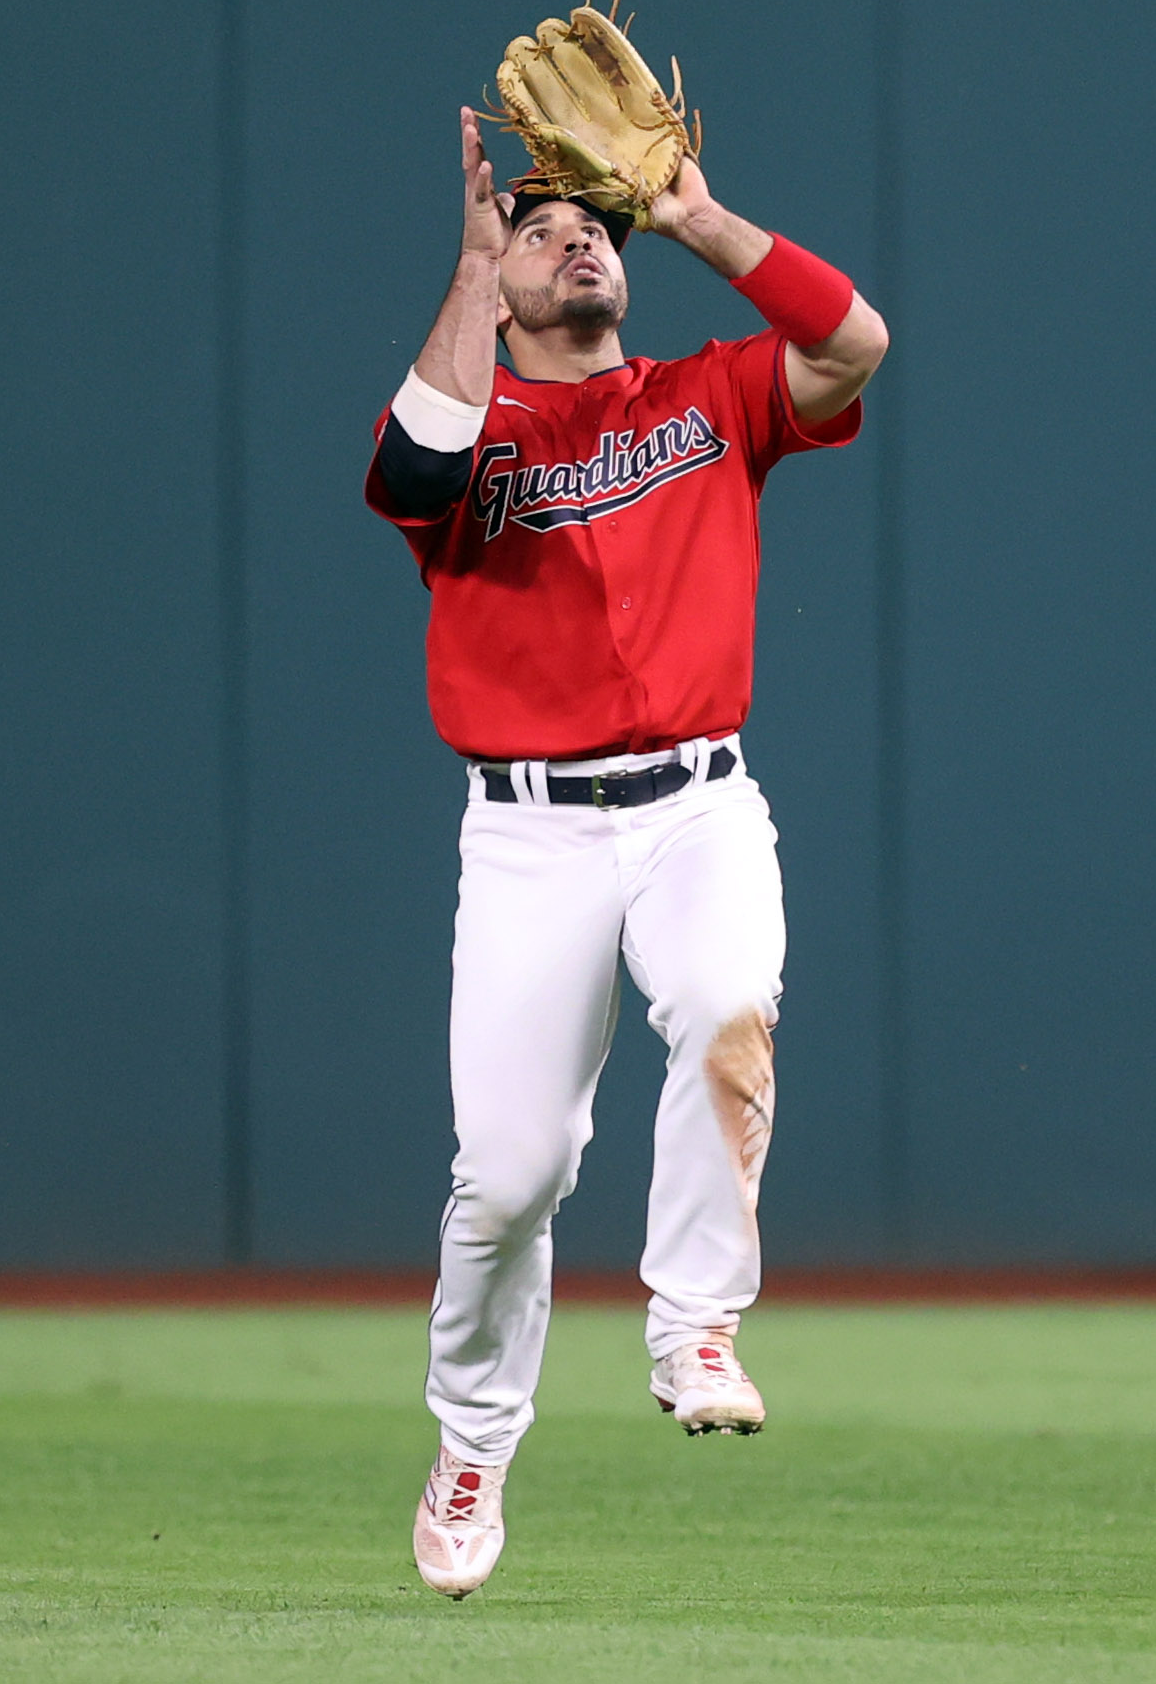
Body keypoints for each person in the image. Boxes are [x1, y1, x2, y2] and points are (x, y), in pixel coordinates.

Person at [366, 105, 888, 1598]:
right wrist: (472, 273)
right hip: (528, 835)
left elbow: (852, 340)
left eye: (588, 222)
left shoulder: (710, 395)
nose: (570, 238)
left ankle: (694, 1321)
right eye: (536, 228)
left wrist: (698, 216)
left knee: (728, 1009)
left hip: (696, 803)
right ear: (498, 277)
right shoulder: (473, 424)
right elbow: (412, 469)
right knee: (513, 1173)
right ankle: (472, 1444)